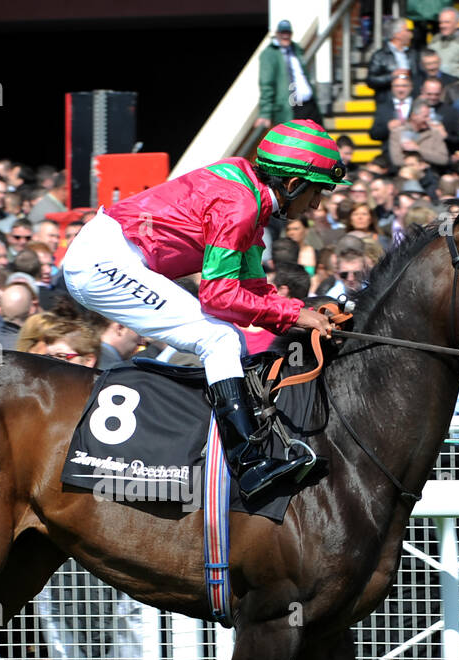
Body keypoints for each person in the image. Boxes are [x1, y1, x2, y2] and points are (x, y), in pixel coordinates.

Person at [62, 120, 340, 504]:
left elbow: (254, 289)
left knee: (230, 339)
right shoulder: (241, 205)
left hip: (114, 254)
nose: (317, 205)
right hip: (101, 263)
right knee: (219, 338)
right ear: (292, 185)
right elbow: (219, 297)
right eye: (317, 193)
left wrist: (300, 310)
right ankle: (250, 463)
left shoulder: (250, 194)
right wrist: (295, 318)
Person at [257, 19, 320, 127]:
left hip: (309, 104)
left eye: (288, 33)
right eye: (282, 33)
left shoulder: (296, 49)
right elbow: (266, 84)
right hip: (291, 107)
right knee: (295, 141)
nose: (285, 36)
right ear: (277, 34)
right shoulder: (269, 54)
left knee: (317, 139)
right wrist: (265, 113)